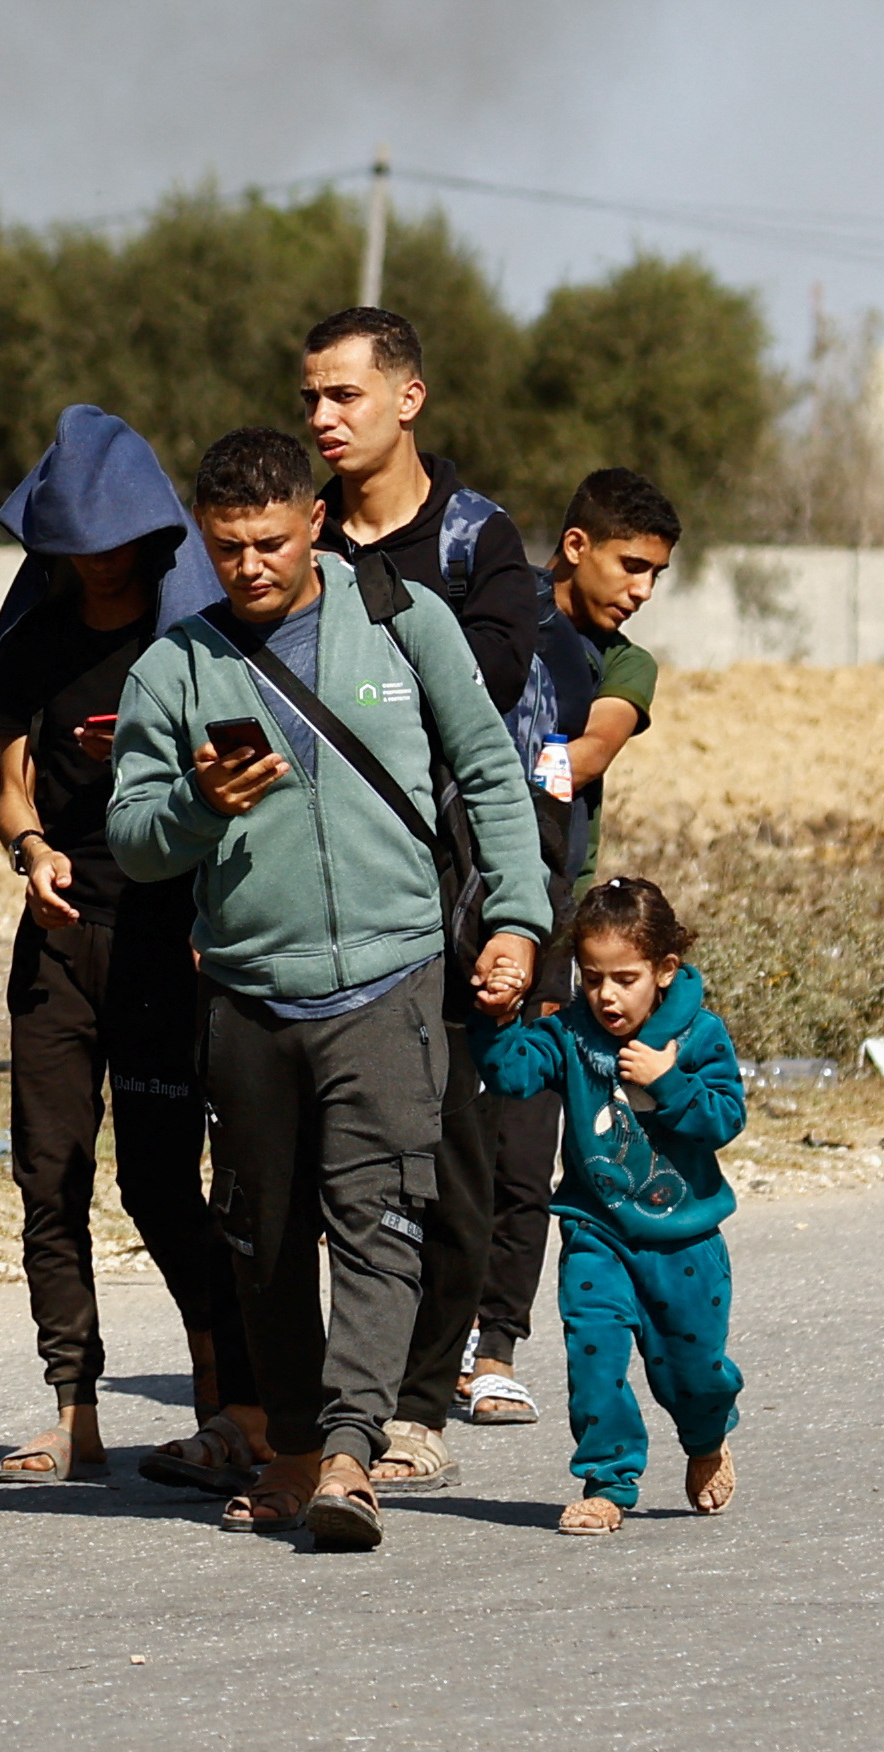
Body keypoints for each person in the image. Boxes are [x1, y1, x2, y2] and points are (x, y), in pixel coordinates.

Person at [106, 427, 548, 1551]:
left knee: (379, 1218)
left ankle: (352, 1453)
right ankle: (296, 1447)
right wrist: (200, 805)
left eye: (269, 541)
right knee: (262, 1238)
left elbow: (490, 772)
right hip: (251, 994)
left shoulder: (406, 621)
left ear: (314, 521)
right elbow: (135, 841)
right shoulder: (175, 668)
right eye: (227, 548)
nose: (249, 566)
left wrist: (517, 918)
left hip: (393, 978)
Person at [298, 305, 549, 1499]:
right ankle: (309, 1403)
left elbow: (484, 688)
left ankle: (417, 1400)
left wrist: (512, 917)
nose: (322, 417)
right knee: (301, 1166)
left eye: (343, 394)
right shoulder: (294, 534)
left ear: (408, 399)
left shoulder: (474, 539)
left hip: (443, 892)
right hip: (310, 895)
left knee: (445, 1150)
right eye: (310, 397)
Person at [0, 408, 243, 1489]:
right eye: (74, 545)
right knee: (50, 1177)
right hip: (59, 937)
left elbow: (238, 791)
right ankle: (73, 1409)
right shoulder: (36, 644)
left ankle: (225, 1401)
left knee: (161, 1184)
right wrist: (32, 851)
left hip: (166, 942)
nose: (96, 563)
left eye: (113, 542)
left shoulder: (195, 646)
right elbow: (11, 791)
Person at [468, 468, 680, 1430]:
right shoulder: (489, 617)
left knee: (526, 1139)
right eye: (632, 565)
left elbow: (582, 755)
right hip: (444, 900)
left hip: (551, 914)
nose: (642, 589)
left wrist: (505, 764)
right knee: (439, 1132)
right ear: (576, 545)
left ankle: (496, 1349)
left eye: (656, 575)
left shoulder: (624, 665)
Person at [473, 876, 744, 1534]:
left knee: (695, 1375)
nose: (607, 996)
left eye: (625, 978)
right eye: (593, 978)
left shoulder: (699, 1036)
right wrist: (500, 1018)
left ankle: (706, 1438)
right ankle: (608, 1479)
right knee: (594, 1354)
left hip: (685, 1241)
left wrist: (668, 1082)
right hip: (596, 1232)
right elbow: (512, 1074)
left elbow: (724, 1119)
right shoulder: (570, 1033)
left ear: (664, 970)